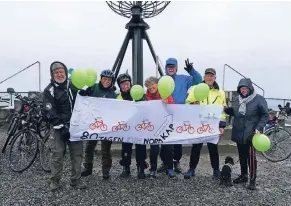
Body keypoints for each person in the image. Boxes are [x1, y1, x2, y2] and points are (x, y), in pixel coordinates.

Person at [43, 61, 86, 191]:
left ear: (66, 73)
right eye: (56, 72)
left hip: (75, 127)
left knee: (77, 154)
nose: (60, 74)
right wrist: (61, 126)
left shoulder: (73, 86)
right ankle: (55, 180)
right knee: (57, 155)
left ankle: (76, 180)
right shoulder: (49, 90)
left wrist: (86, 93)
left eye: (62, 72)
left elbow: (84, 98)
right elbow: (49, 110)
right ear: (52, 74)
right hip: (59, 128)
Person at [158, 58, 202, 174]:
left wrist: (191, 71)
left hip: (180, 114)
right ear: (166, 68)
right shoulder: (160, 80)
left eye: (173, 66)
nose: (171, 68)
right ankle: (165, 162)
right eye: (169, 66)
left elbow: (198, 80)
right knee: (164, 139)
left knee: (177, 139)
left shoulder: (184, 79)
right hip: (164, 113)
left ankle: (176, 162)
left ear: (176, 67)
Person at [224, 78, 268, 190]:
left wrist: (258, 128)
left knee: (251, 158)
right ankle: (244, 175)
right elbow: (234, 112)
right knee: (242, 156)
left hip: (251, 133)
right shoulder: (236, 99)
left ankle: (252, 179)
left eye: (245, 88)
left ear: (250, 88)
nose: (243, 90)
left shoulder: (258, 99)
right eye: (241, 88)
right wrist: (227, 110)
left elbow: (265, 115)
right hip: (239, 132)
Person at [184, 68, 226, 179]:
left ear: (215, 77)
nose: (209, 77)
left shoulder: (220, 92)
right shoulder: (195, 89)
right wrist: (194, 103)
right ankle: (191, 169)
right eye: (207, 75)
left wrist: (222, 125)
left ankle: (216, 170)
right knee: (196, 147)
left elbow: (222, 110)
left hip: (213, 125)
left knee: (213, 148)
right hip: (198, 123)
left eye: (211, 76)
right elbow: (187, 103)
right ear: (204, 77)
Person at [79, 69, 116, 180]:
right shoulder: (93, 87)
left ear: (112, 81)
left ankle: (106, 170)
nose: (106, 81)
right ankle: (88, 168)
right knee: (89, 146)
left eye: (109, 79)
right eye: (104, 79)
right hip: (93, 123)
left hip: (106, 124)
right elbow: (84, 97)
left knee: (106, 149)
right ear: (100, 78)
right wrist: (84, 93)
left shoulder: (112, 93)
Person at [116, 73, 148, 179]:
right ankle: (126, 168)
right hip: (126, 127)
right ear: (119, 86)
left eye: (127, 84)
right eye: (123, 84)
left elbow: (146, 106)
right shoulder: (119, 97)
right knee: (126, 148)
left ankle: (141, 168)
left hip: (138, 126)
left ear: (130, 84)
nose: (126, 86)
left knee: (140, 148)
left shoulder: (138, 93)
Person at [144, 76, 175, 178]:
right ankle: (153, 169)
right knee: (154, 149)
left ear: (157, 84)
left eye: (153, 84)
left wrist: (168, 103)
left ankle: (170, 168)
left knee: (168, 148)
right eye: (148, 85)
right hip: (153, 126)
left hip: (166, 124)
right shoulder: (146, 97)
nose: (151, 87)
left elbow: (173, 108)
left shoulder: (166, 94)